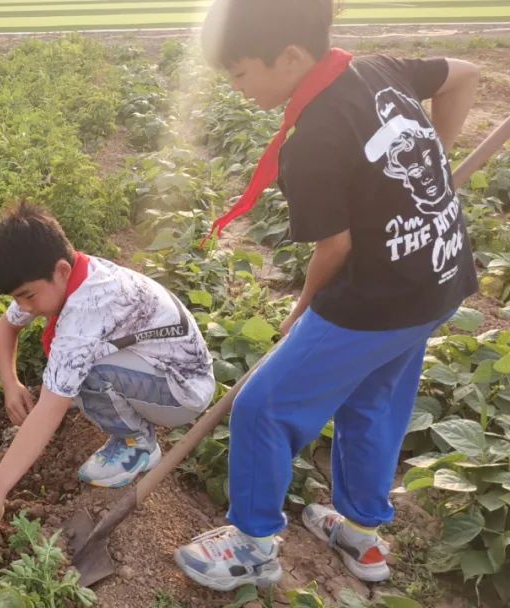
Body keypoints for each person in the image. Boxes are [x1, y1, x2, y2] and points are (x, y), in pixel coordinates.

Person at [175, 0, 480, 591]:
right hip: (438, 279)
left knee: (263, 406)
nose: (236, 88)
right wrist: (435, 158)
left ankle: (252, 547)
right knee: (373, 398)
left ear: (290, 56)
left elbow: (334, 249)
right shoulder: (381, 67)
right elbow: (465, 73)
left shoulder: (312, 138)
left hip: (378, 299)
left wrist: (302, 311)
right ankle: (362, 536)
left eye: (239, 72)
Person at [0, 203, 215, 542]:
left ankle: (138, 443)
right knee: (70, 369)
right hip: (153, 366)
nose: (24, 307)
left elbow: (51, 407)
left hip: (183, 389)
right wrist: (11, 384)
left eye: (27, 296)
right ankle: (130, 427)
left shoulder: (89, 306)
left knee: (83, 370)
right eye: (17, 298)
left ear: (61, 270)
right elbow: (4, 328)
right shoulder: (64, 276)